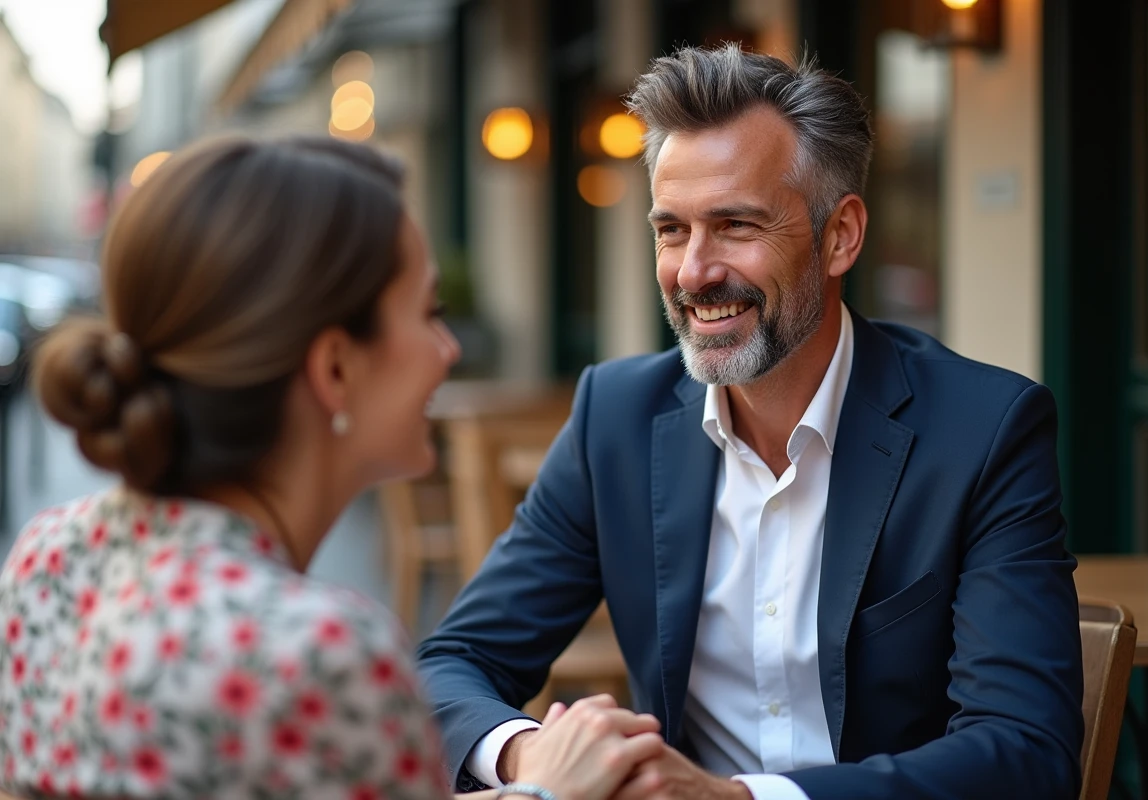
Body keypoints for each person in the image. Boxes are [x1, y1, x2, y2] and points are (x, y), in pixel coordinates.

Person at [417, 43, 1084, 800]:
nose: (694, 272)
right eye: (671, 230)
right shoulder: (617, 419)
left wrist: (736, 799)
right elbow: (450, 666)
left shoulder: (984, 431)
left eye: (735, 225)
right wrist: (535, 760)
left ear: (841, 237)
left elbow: (1027, 752)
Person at [0, 136, 664, 799]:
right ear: (336, 369)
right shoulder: (315, 654)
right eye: (429, 313)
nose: (449, 348)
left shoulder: (49, 554)